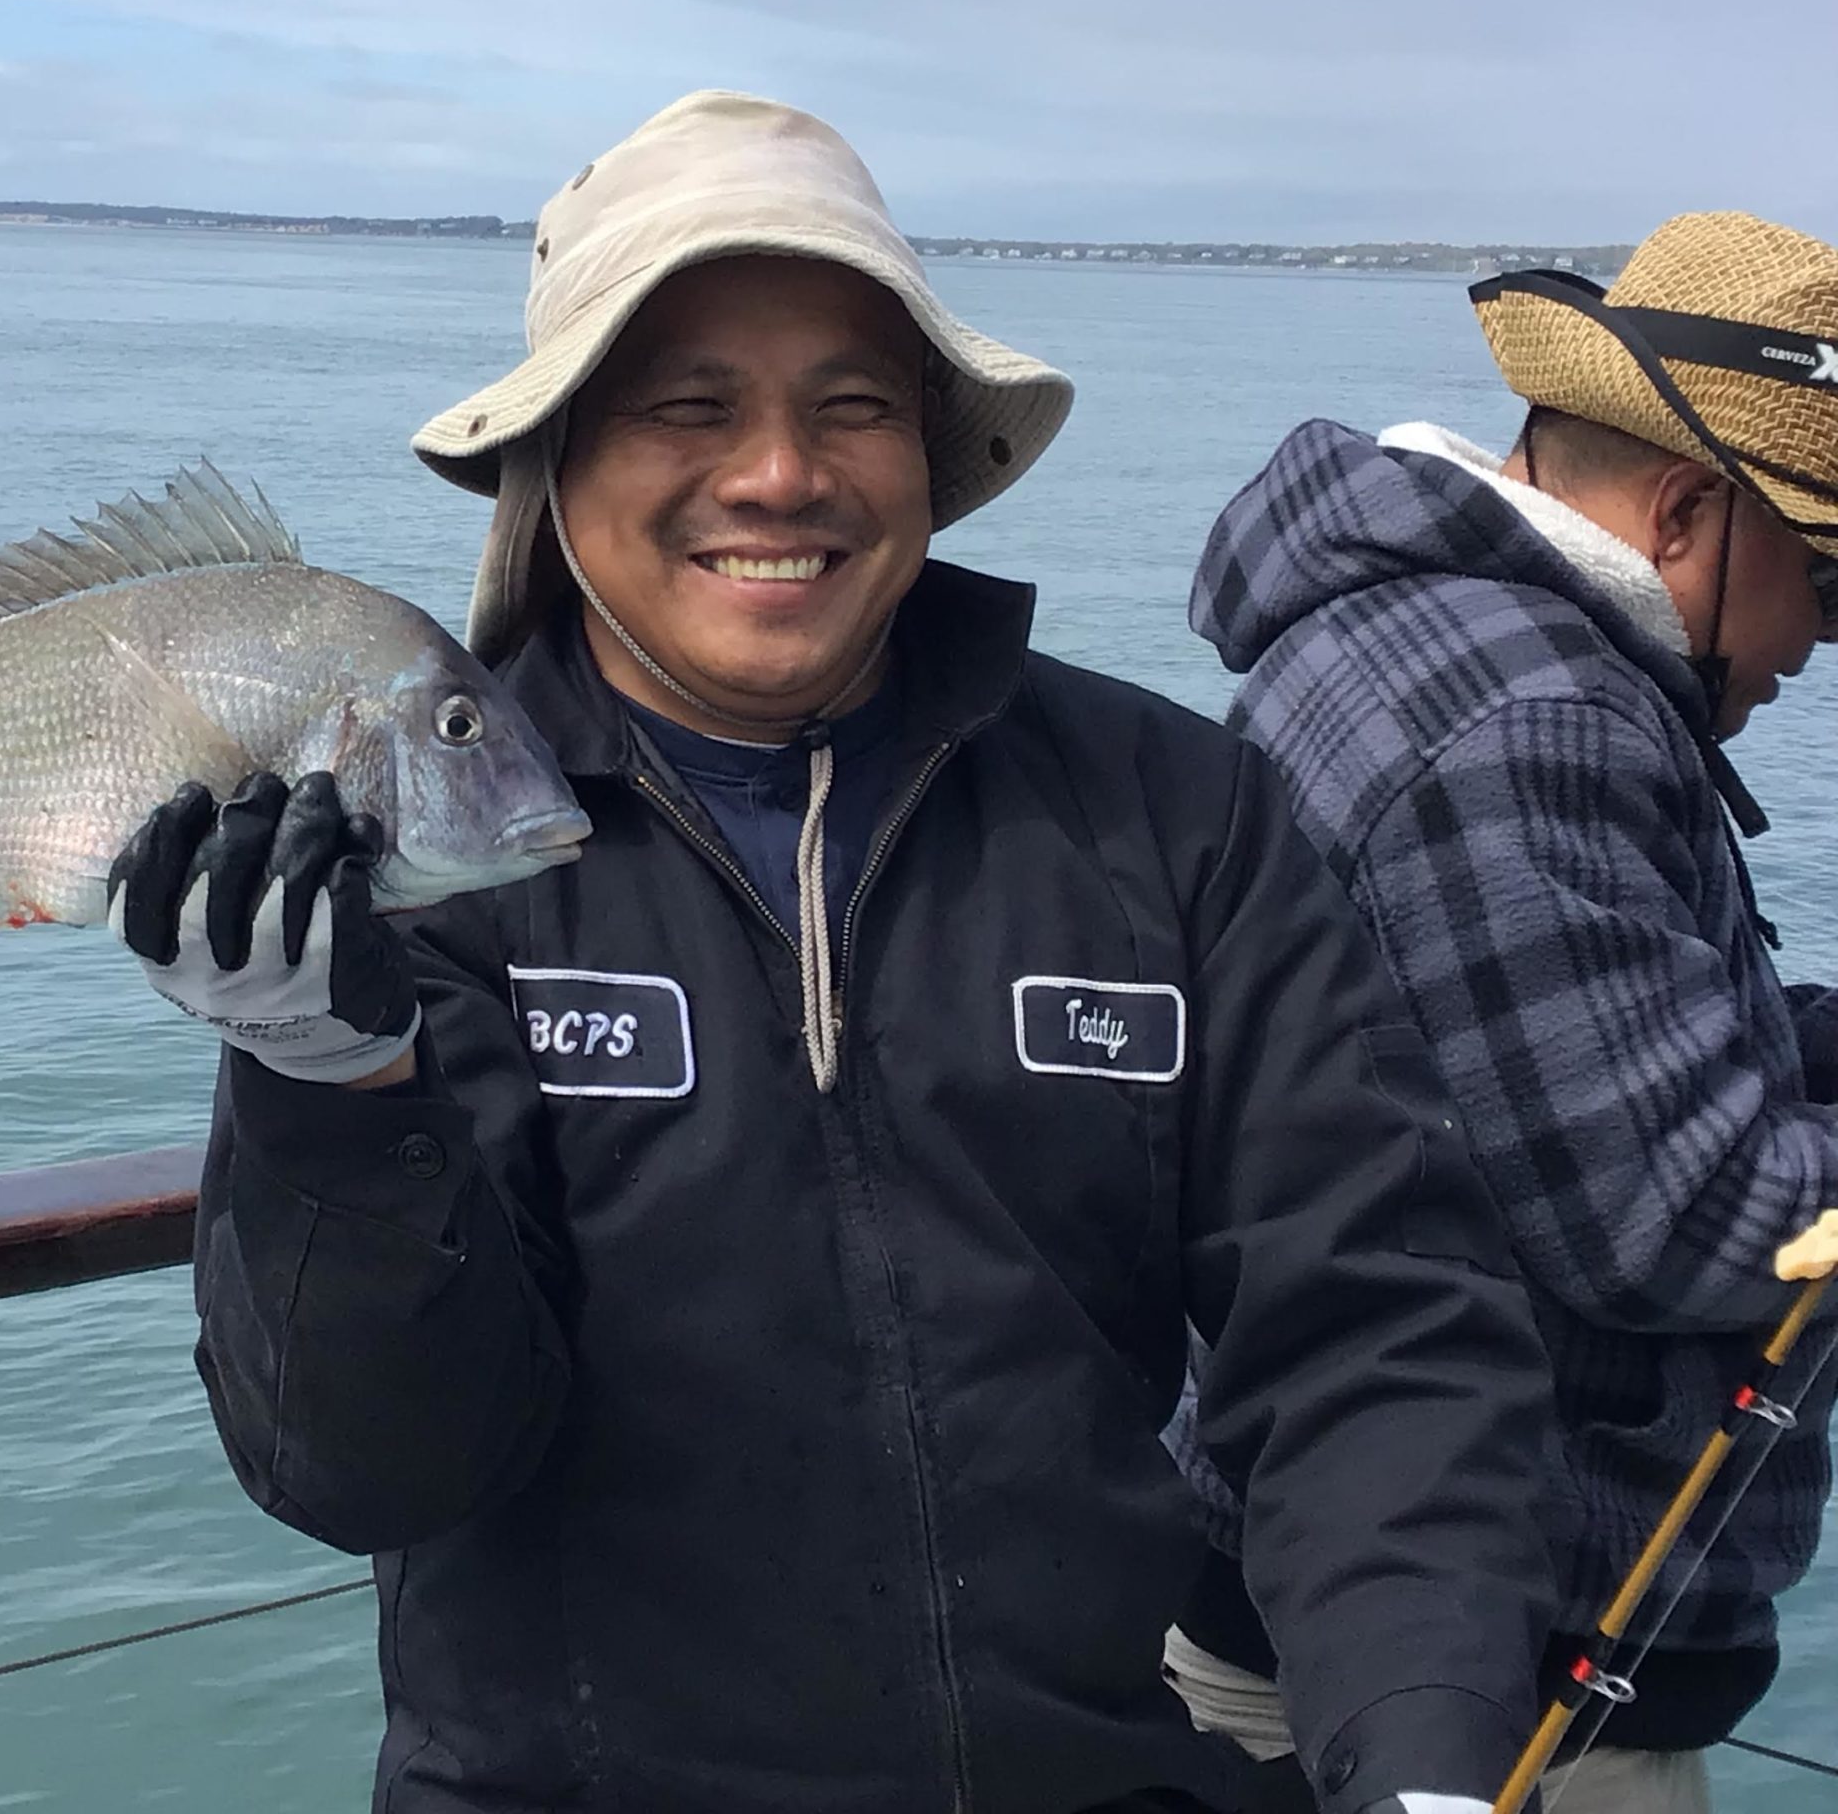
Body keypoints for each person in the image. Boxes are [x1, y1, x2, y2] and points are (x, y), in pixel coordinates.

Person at [113, 90, 1557, 1814]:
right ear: (555, 460)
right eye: (687, 407)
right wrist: (329, 1095)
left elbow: (1370, 1329)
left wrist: (1425, 1758)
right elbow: (370, 1469)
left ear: (933, 455)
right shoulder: (417, 857)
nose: (781, 473)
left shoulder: (1178, 814)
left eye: (854, 406)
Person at [1172, 212, 1838, 1814]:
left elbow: (1569, 1047)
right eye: (1827, 576)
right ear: (1688, 513)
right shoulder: (1533, 717)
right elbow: (1682, 1217)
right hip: (1500, 1654)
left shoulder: (1399, 627)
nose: (1821, 643)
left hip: (1322, 1571)